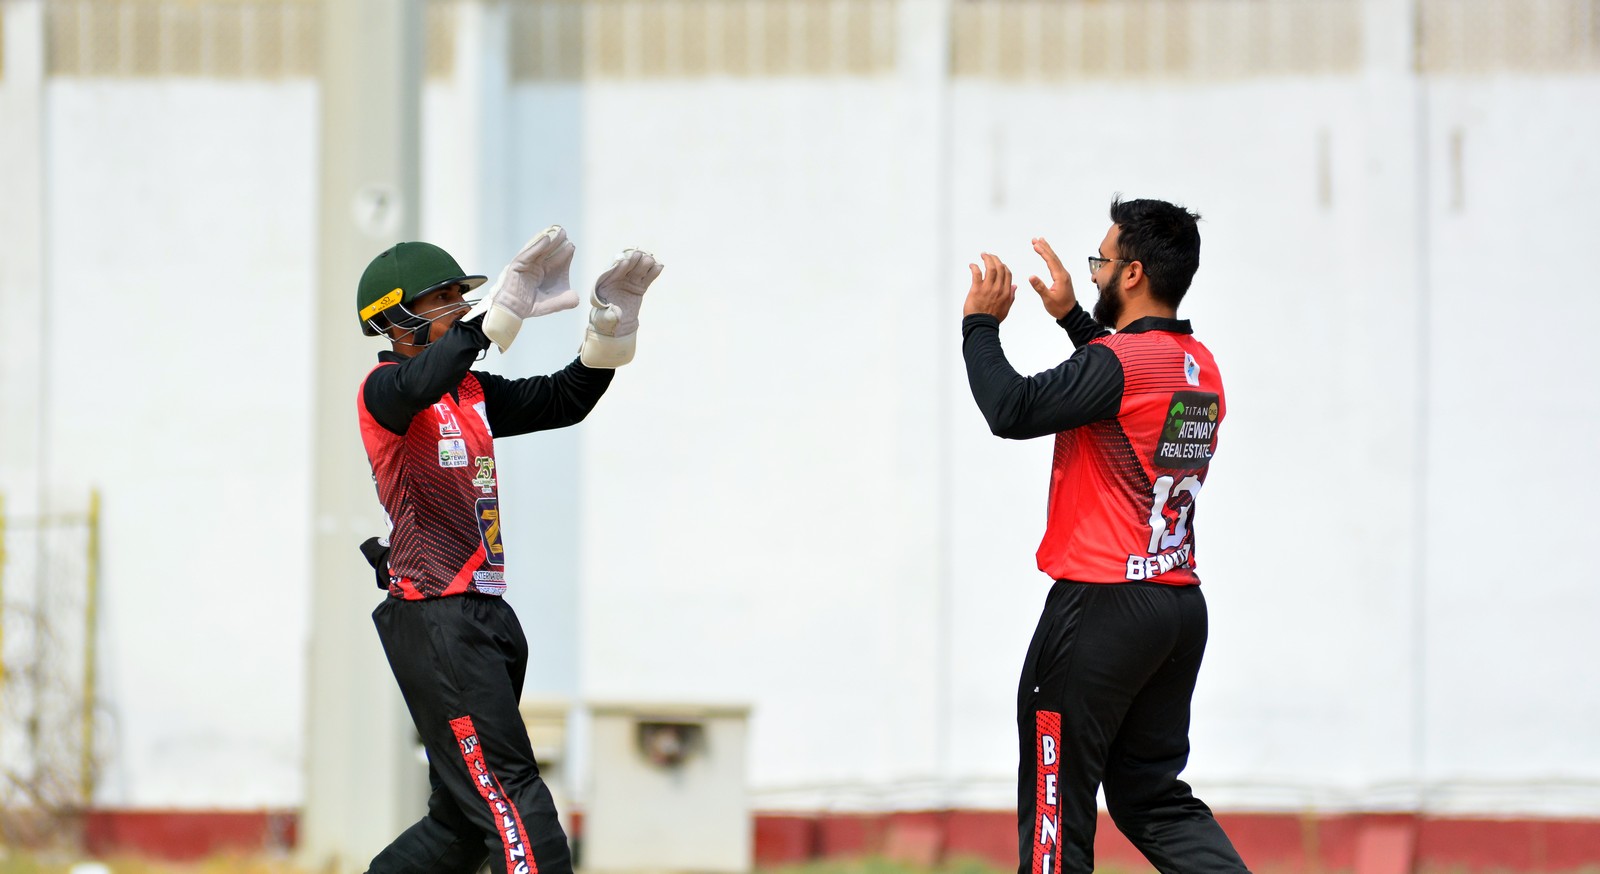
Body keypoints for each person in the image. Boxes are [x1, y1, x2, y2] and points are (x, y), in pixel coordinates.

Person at [352, 227, 662, 874]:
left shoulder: (471, 393)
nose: (458, 307)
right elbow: (419, 382)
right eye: (441, 299)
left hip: (483, 615)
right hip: (437, 616)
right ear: (395, 318)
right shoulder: (385, 391)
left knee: (462, 824)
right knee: (516, 801)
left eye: (460, 297)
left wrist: (609, 331)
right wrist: (492, 322)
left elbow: (564, 399)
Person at [961, 198, 1249, 874]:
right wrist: (1071, 317)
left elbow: (1011, 409)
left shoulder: (1123, 363)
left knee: (1056, 806)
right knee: (1151, 798)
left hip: (1102, 608)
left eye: (1102, 260)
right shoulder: (1199, 364)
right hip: (1175, 607)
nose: (1094, 271)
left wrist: (980, 323)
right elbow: (1121, 384)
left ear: (1132, 273)